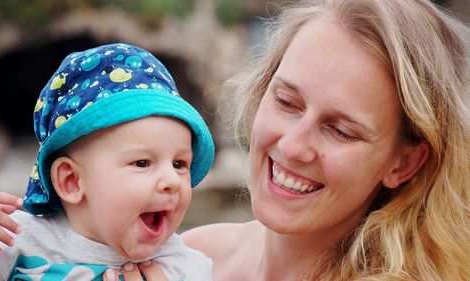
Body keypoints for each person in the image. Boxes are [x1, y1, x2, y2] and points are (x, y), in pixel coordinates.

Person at [179, 0, 469, 280]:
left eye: (341, 131)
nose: (292, 147)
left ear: (404, 163)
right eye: (286, 102)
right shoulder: (191, 257)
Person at [0, 43, 215, 281]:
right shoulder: (12, 241)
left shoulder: (187, 268)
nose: (172, 180)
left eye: (179, 164)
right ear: (72, 181)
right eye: (142, 163)